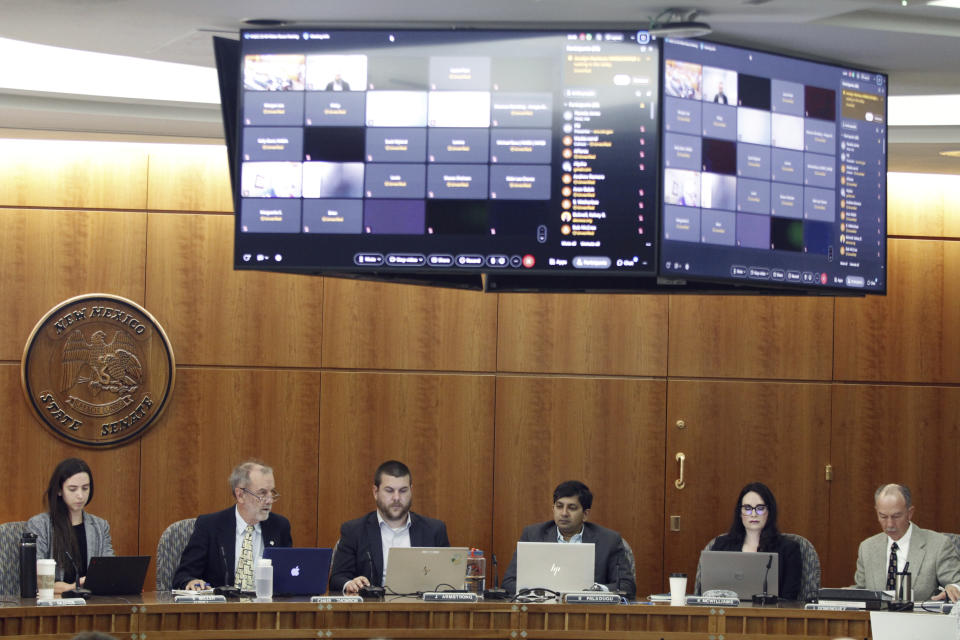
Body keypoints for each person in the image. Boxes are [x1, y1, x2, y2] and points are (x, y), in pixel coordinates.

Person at [329, 460, 450, 595]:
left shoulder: (434, 530)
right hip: (371, 611)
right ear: (375, 492)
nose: (396, 498)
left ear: (411, 491)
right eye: (389, 491)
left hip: (421, 611)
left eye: (403, 491)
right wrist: (350, 583)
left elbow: (448, 580)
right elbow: (336, 579)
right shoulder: (353, 531)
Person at [501, 480, 636, 600]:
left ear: (585, 514)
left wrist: (594, 592)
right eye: (559, 506)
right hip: (542, 610)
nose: (564, 513)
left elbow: (626, 586)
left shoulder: (609, 540)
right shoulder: (532, 535)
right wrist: (542, 594)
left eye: (572, 508)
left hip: (589, 613)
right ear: (553, 508)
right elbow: (509, 582)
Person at [172, 460, 292, 590]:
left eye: (272, 492)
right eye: (262, 493)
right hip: (221, 608)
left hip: (265, 607)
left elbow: (288, 575)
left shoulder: (280, 526)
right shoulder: (209, 526)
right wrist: (191, 581)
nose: (269, 500)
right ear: (240, 495)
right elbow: (183, 576)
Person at [854, 483, 960, 601]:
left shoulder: (938, 545)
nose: (889, 524)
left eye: (896, 516)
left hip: (920, 618)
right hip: (876, 618)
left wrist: (954, 587)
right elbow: (860, 591)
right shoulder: (867, 547)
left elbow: (956, 582)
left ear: (910, 513)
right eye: (883, 516)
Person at [27, 458, 113, 595]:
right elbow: (35, 580)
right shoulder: (39, 525)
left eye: (85, 488)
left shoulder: (100, 526)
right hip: (53, 605)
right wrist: (74, 586)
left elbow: (109, 572)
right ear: (59, 490)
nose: (80, 495)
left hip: (93, 603)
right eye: (73, 489)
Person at [703, 482, 802, 600]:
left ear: (769, 512)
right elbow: (706, 592)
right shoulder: (722, 545)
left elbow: (789, 598)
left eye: (760, 508)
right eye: (748, 508)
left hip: (771, 615)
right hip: (727, 614)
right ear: (740, 512)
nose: (754, 514)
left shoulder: (789, 549)